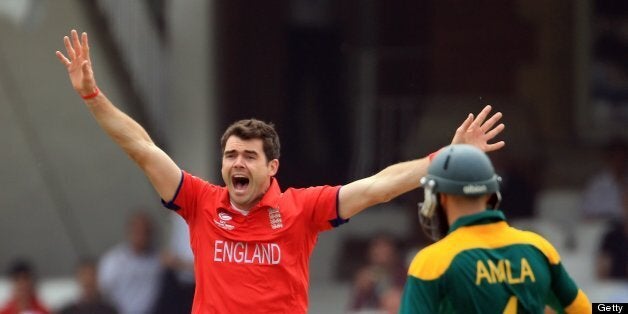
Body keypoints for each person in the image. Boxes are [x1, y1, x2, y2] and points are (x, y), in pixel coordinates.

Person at [56, 29, 505, 313]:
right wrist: (94, 96)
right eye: (231, 155)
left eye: (249, 157)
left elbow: (378, 187)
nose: (237, 163)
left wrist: (445, 157)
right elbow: (142, 148)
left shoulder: (300, 209)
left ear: (272, 167)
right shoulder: (200, 201)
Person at [399, 144, 591, 313]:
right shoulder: (538, 248)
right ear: (491, 195)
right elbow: (585, 310)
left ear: (440, 197)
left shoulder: (431, 262)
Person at [97, 211, 162, 314]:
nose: (141, 236)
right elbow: (102, 291)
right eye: (137, 232)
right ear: (129, 232)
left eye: (145, 232)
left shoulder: (160, 260)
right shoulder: (113, 260)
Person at [349, 233, 406, 312]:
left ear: (393, 253)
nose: (381, 256)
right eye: (377, 253)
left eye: (385, 252)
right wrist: (363, 289)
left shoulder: (405, 273)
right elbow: (355, 308)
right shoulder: (367, 275)